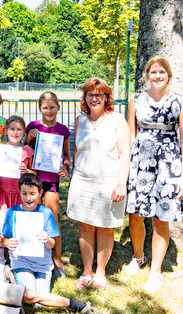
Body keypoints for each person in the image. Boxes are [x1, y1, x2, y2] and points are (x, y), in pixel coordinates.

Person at [125, 56, 183, 293]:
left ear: (169, 74)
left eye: (162, 72)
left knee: (161, 217)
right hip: (140, 162)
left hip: (169, 164)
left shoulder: (179, 101)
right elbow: (131, 133)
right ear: (147, 74)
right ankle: (139, 257)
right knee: (136, 215)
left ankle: (156, 271)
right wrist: (126, 168)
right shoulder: (135, 99)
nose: (157, 76)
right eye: (153, 72)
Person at [67, 77, 130, 290]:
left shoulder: (117, 119)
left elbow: (124, 153)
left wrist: (122, 184)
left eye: (99, 95)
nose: (94, 98)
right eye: (90, 94)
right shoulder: (80, 120)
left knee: (105, 227)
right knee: (85, 226)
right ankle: (87, 270)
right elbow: (77, 151)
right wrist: (74, 174)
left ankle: (101, 272)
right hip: (82, 180)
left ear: (106, 98)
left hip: (108, 182)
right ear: (85, 97)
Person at [25, 91, 71, 277]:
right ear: (40, 109)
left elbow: (66, 155)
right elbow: (22, 149)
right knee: (32, 218)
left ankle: (57, 260)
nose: (49, 111)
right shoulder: (33, 127)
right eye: (45, 108)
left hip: (51, 179)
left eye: (52, 107)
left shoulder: (62, 130)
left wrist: (66, 167)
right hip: (32, 178)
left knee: (52, 218)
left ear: (58, 108)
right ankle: (34, 257)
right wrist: (28, 138)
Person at [2, 173, 59, 294]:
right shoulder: (12, 212)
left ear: (40, 193)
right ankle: (10, 271)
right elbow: (4, 240)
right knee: (31, 294)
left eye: (32, 194)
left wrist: (48, 240)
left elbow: (52, 244)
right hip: (21, 261)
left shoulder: (46, 212)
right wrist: (8, 243)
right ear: (19, 192)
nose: (28, 198)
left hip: (43, 263)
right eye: (24, 193)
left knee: (40, 300)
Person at [0, 115, 35, 212]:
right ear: (6, 131)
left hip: (20, 195)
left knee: (18, 222)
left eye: (19, 129)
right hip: (2, 194)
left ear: (24, 132)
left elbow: (35, 175)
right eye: (12, 129)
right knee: (3, 222)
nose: (15, 133)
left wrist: (26, 171)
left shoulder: (27, 151)